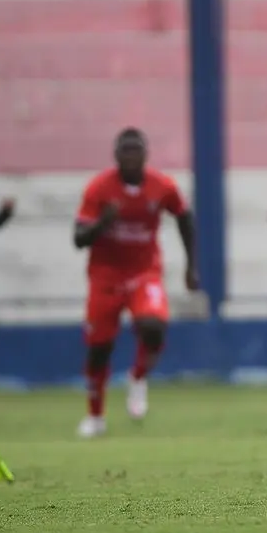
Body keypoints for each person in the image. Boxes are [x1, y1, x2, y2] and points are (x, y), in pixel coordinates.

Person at [73, 128, 198, 438]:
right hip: (105, 276)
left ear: (146, 153)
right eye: (124, 150)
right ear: (116, 155)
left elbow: (184, 218)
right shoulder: (99, 189)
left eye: (135, 150)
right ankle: (95, 416)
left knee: (154, 327)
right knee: (99, 349)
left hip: (144, 273)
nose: (130, 156)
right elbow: (78, 238)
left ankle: (138, 377)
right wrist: (104, 222)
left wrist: (191, 266)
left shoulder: (162, 186)